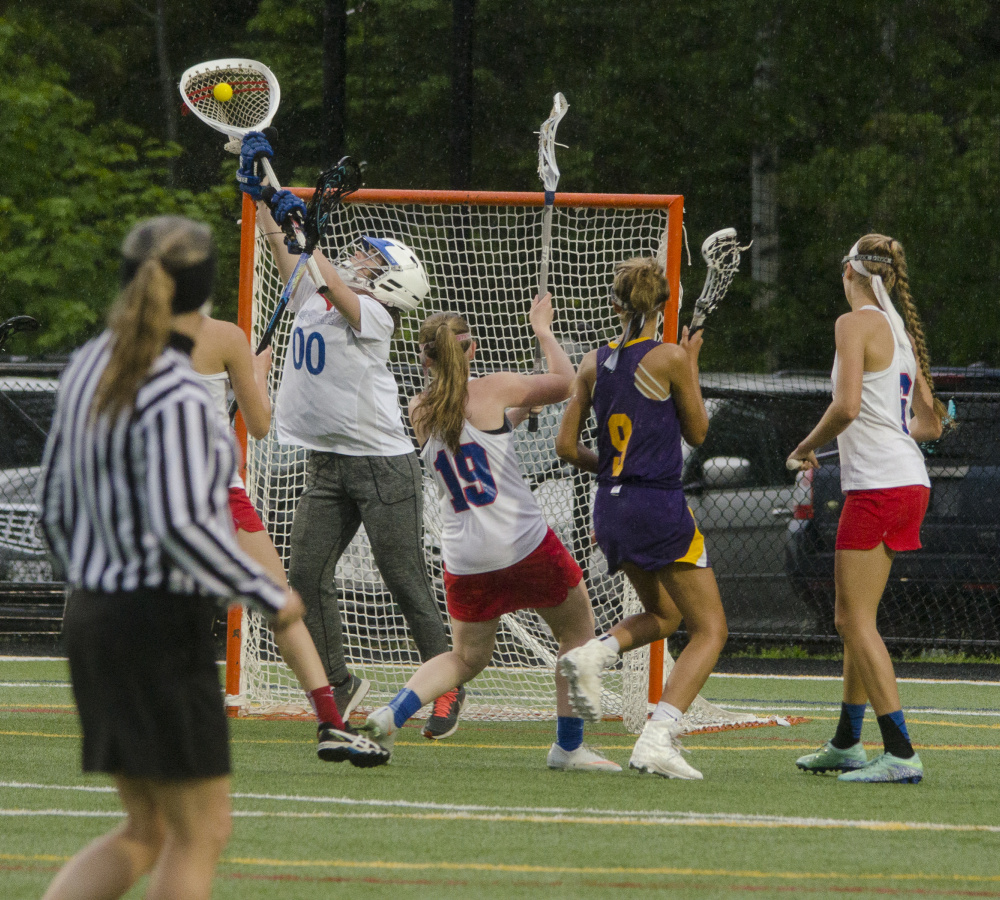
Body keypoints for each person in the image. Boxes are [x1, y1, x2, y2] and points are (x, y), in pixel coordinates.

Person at [37, 216, 298, 900]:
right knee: (199, 830)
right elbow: (184, 526)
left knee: (144, 827)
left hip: (93, 617)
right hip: (154, 626)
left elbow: (52, 511)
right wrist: (268, 592)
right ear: (204, 294)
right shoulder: (181, 394)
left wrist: (97, 581)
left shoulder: (88, 365)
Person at [237, 131, 463, 738]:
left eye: (373, 260)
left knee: (404, 578)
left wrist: (303, 227)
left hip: (382, 467)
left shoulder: (376, 313)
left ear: (390, 282)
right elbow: (285, 245)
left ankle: (447, 683)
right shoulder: (314, 288)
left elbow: (323, 269)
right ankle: (337, 681)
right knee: (304, 576)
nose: (360, 259)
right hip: (327, 464)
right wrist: (264, 190)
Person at [360, 301, 620, 772]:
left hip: (466, 556)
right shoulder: (495, 386)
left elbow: (482, 433)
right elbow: (565, 381)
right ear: (472, 350)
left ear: (426, 359)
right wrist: (542, 330)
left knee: (465, 658)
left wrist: (519, 408)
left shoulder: (421, 408)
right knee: (577, 635)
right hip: (523, 543)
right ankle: (568, 747)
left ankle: (390, 714)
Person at [554, 256, 728, 781]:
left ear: (616, 303)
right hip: (657, 504)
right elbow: (698, 433)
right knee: (711, 630)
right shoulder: (672, 358)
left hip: (609, 507)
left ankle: (595, 654)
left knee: (667, 616)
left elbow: (565, 446)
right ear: (663, 306)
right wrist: (689, 365)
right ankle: (657, 736)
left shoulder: (592, 362)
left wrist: (611, 470)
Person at [190, 317, 389, 766]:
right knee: (283, 606)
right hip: (216, 491)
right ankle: (330, 722)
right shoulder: (224, 336)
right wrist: (257, 369)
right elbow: (260, 424)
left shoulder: (128, 337)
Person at [787, 234, 944, 785]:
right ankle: (848, 741)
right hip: (909, 482)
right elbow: (929, 424)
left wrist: (807, 447)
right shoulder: (898, 327)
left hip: (879, 486)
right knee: (859, 618)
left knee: (849, 617)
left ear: (847, 271)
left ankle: (899, 750)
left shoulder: (853, 324)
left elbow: (847, 405)